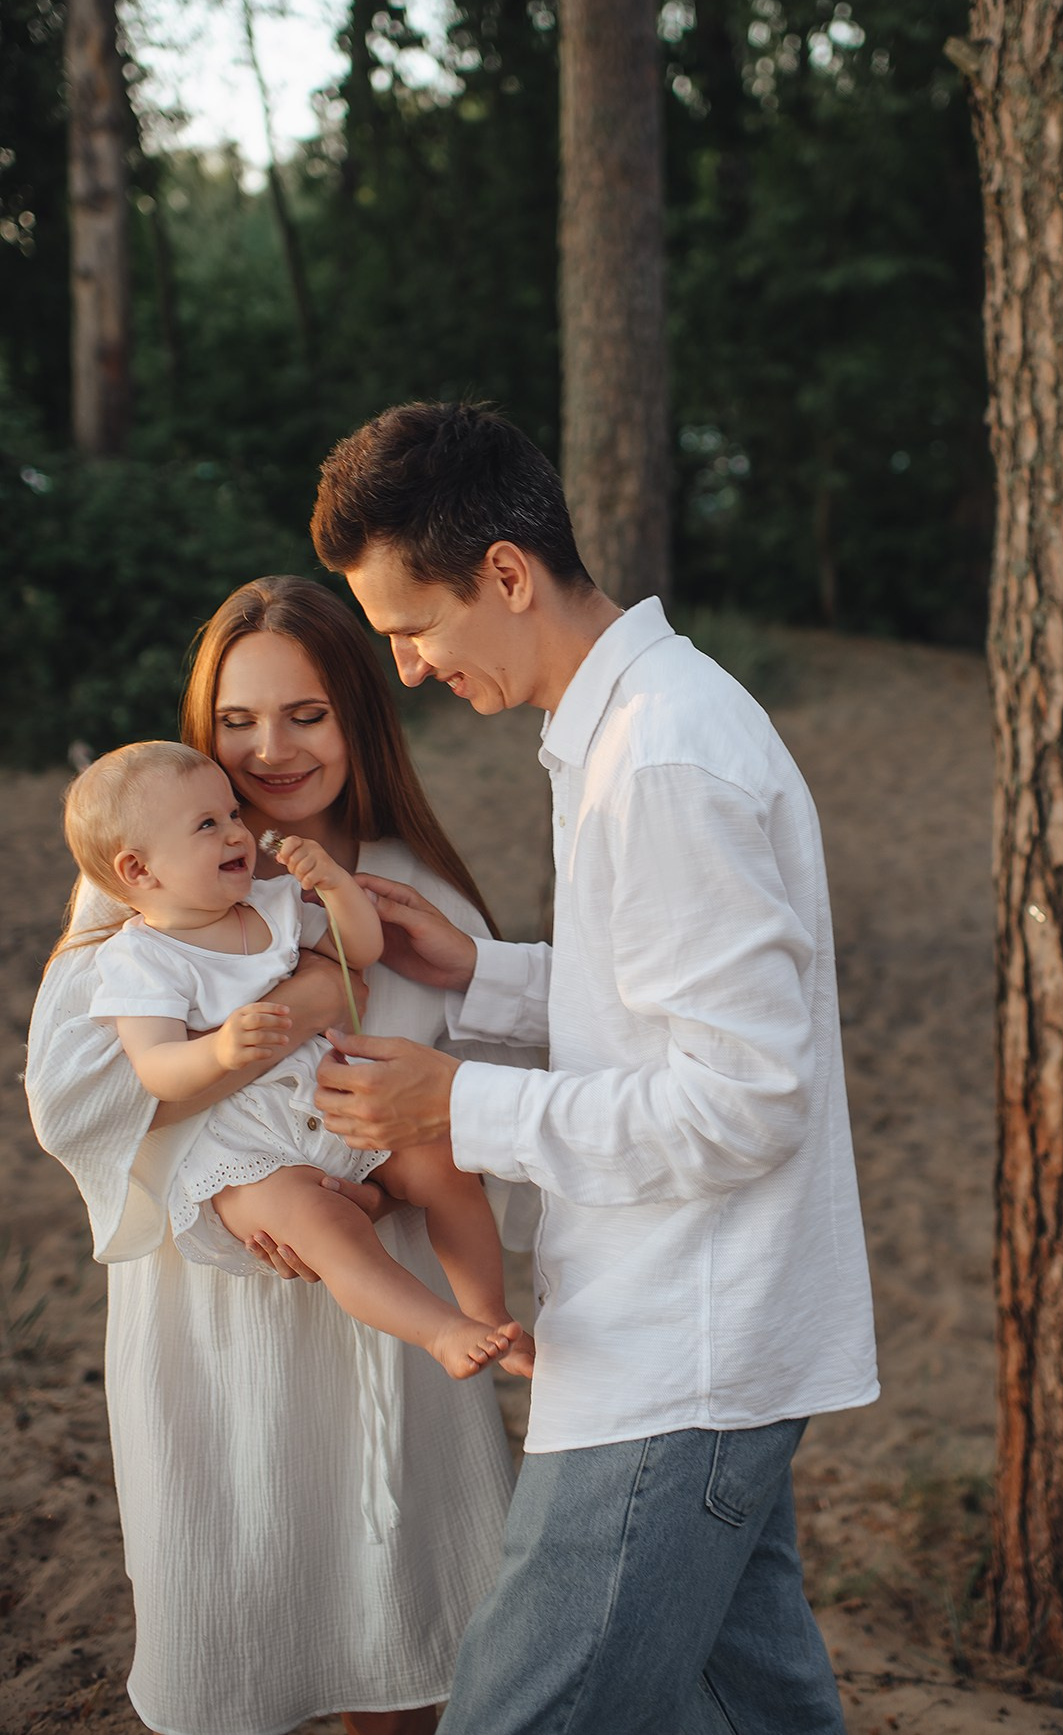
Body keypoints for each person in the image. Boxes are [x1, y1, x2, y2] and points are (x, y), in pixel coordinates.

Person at [307, 402, 880, 1735]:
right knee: (758, 1713)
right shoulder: (623, 726)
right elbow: (666, 1014)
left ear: (507, 574)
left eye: (413, 626)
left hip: (672, 1356)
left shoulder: (664, 757)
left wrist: (460, 1102)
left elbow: (744, 1102)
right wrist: (490, 977)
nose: (402, 668)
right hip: (689, 1339)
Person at [26, 575, 537, 1735]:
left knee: (407, 1651)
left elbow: (503, 1091)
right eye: (239, 722)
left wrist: (367, 1075)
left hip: (390, 1312)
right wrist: (231, 1186)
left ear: (358, 717)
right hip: (212, 1317)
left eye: (305, 714)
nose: (270, 752)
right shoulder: (132, 899)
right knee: (239, 1621)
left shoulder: (412, 887)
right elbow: (81, 1099)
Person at [62, 738, 528, 1378]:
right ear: (140, 871)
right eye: (208, 825)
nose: (236, 834)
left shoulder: (270, 903)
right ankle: (441, 1330)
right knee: (325, 1228)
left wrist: (333, 887)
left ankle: (489, 1311)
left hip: (331, 1100)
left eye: (232, 815)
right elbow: (156, 1069)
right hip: (248, 1151)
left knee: (443, 1164)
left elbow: (358, 951)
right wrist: (219, 1049)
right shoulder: (139, 959)